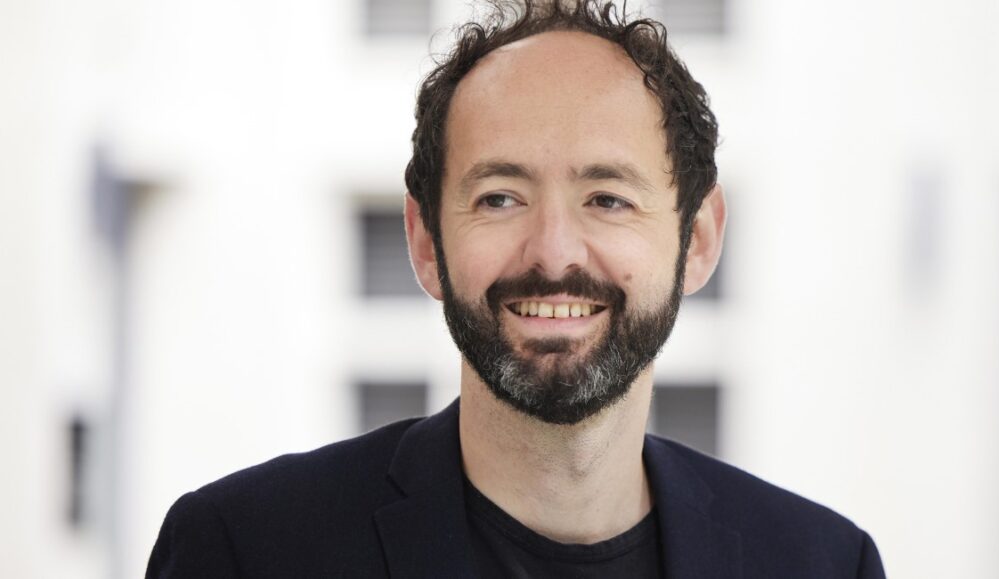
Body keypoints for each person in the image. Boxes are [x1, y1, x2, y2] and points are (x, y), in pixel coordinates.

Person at [146, 1, 886, 577]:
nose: (554, 253)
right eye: (500, 197)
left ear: (697, 239)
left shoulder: (821, 565)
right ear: (425, 240)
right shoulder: (245, 553)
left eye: (607, 197)